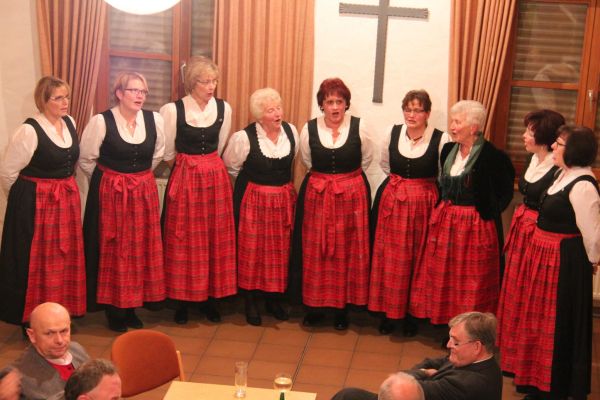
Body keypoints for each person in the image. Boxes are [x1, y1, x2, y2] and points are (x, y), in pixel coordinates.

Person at [510, 126, 599, 400]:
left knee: (557, 323)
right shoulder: (563, 174)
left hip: (563, 262)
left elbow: (592, 234)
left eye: (559, 144)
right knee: (539, 319)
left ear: (574, 151)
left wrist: (591, 263)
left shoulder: (583, 185)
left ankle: (554, 385)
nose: (553, 148)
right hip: (545, 256)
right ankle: (536, 379)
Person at [411, 100, 514, 328]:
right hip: (447, 221)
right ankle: (447, 325)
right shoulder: (449, 150)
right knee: (446, 274)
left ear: (474, 127)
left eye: (457, 122)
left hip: (475, 226)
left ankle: (471, 329)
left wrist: (485, 213)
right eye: (452, 121)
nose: (452, 126)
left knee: (472, 279)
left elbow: (505, 192)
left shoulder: (493, 156)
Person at [80, 72, 166, 332]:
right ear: (119, 93)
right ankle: (114, 308)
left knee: (140, 248)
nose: (140, 96)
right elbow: (86, 159)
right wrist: (111, 181)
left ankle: (132, 307)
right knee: (114, 249)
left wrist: (137, 178)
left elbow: (158, 154)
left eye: (143, 91)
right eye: (134, 91)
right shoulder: (101, 121)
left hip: (142, 191)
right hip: (112, 193)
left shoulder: (154, 120)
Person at [0, 76, 85, 328]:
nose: (65, 102)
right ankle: (33, 319)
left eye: (66, 96)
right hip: (36, 204)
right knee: (37, 261)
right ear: (43, 100)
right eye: (58, 98)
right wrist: (22, 201)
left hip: (64, 202)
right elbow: (8, 172)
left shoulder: (69, 122)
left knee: (63, 258)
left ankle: (60, 314)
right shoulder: (29, 130)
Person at [292, 78, 374, 330]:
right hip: (318, 196)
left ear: (346, 103)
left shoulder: (359, 127)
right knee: (316, 250)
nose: (335, 107)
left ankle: (341, 309)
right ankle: (315, 307)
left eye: (339, 101)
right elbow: (307, 160)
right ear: (322, 105)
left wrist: (345, 183)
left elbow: (367, 159)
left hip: (351, 197)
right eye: (329, 102)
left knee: (346, 251)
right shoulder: (309, 129)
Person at [158, 56, 236, 325]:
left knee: (214, 237)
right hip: (186, 177)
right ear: (192, 83)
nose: (211, 86)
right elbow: (168, 151)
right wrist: (188, 169)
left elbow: (220, 145)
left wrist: (205, 166)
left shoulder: (224, 108)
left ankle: (209, 299)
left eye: (214, 81)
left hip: (215, 179)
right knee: (184, 238)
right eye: (205, 81)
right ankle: (182, 301)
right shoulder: (173, 110)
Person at [367, 89, 449, 336]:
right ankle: (388, 313)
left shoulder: (441, 139)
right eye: (408, 109)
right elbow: (385, 164)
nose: (412, 115)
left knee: (419, 258)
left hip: (424, 204)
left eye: (418, 110)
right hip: (394, 202)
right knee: (391, 258)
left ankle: (412, 315)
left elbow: (442, 173)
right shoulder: (391, 134)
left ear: (427, 114)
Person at [496, 109, 564, 374]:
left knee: (531, 295)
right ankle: (511, 353)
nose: (524, 136)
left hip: (539, 233)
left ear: (544, 137)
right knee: (515, 289)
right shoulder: (532, 159)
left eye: (529, 132)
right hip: (522, 228)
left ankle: (526, 358)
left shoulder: (557, 168)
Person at [223, 88, 299, 326]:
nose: (277, 114)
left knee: (278, 250)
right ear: (259, 115)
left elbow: (294, 161)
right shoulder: (243, 138)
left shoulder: (291, 132)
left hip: (282, 202)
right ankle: (250, 301)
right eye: (270, 110)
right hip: (254, 202)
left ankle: (273, 299)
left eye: (278, 108)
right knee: (253, 251)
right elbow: (232, 167)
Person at [331, 311, 502, 400]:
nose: (449, 345)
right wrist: (425, 371)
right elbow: (431, 362)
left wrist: (423, 373)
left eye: (456, 342)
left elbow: (405, 387)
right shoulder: (476, 360)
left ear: (476, 346)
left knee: (348, 396)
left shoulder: (469, 384)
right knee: (348, 396)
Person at [12, 302, 90, 400]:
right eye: (49, 333)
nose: (59, 340)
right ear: (32, 335)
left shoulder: (77, 349)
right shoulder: (18, 377)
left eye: (64, 331)